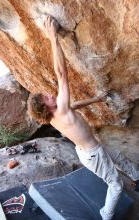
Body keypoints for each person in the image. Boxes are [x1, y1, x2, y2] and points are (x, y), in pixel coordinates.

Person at [27, 15, 139, 220]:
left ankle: (137, 177)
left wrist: (95, 99)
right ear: (46, 106)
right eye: (46, 97)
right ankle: (106, 215)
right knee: (115, 184)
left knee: (119, 158)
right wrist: (52, 37)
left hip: (90, 149)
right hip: (93, 154)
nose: (50, 94)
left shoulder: (56, 114)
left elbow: (74, 105)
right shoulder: (59, 109)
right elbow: (61, 74)